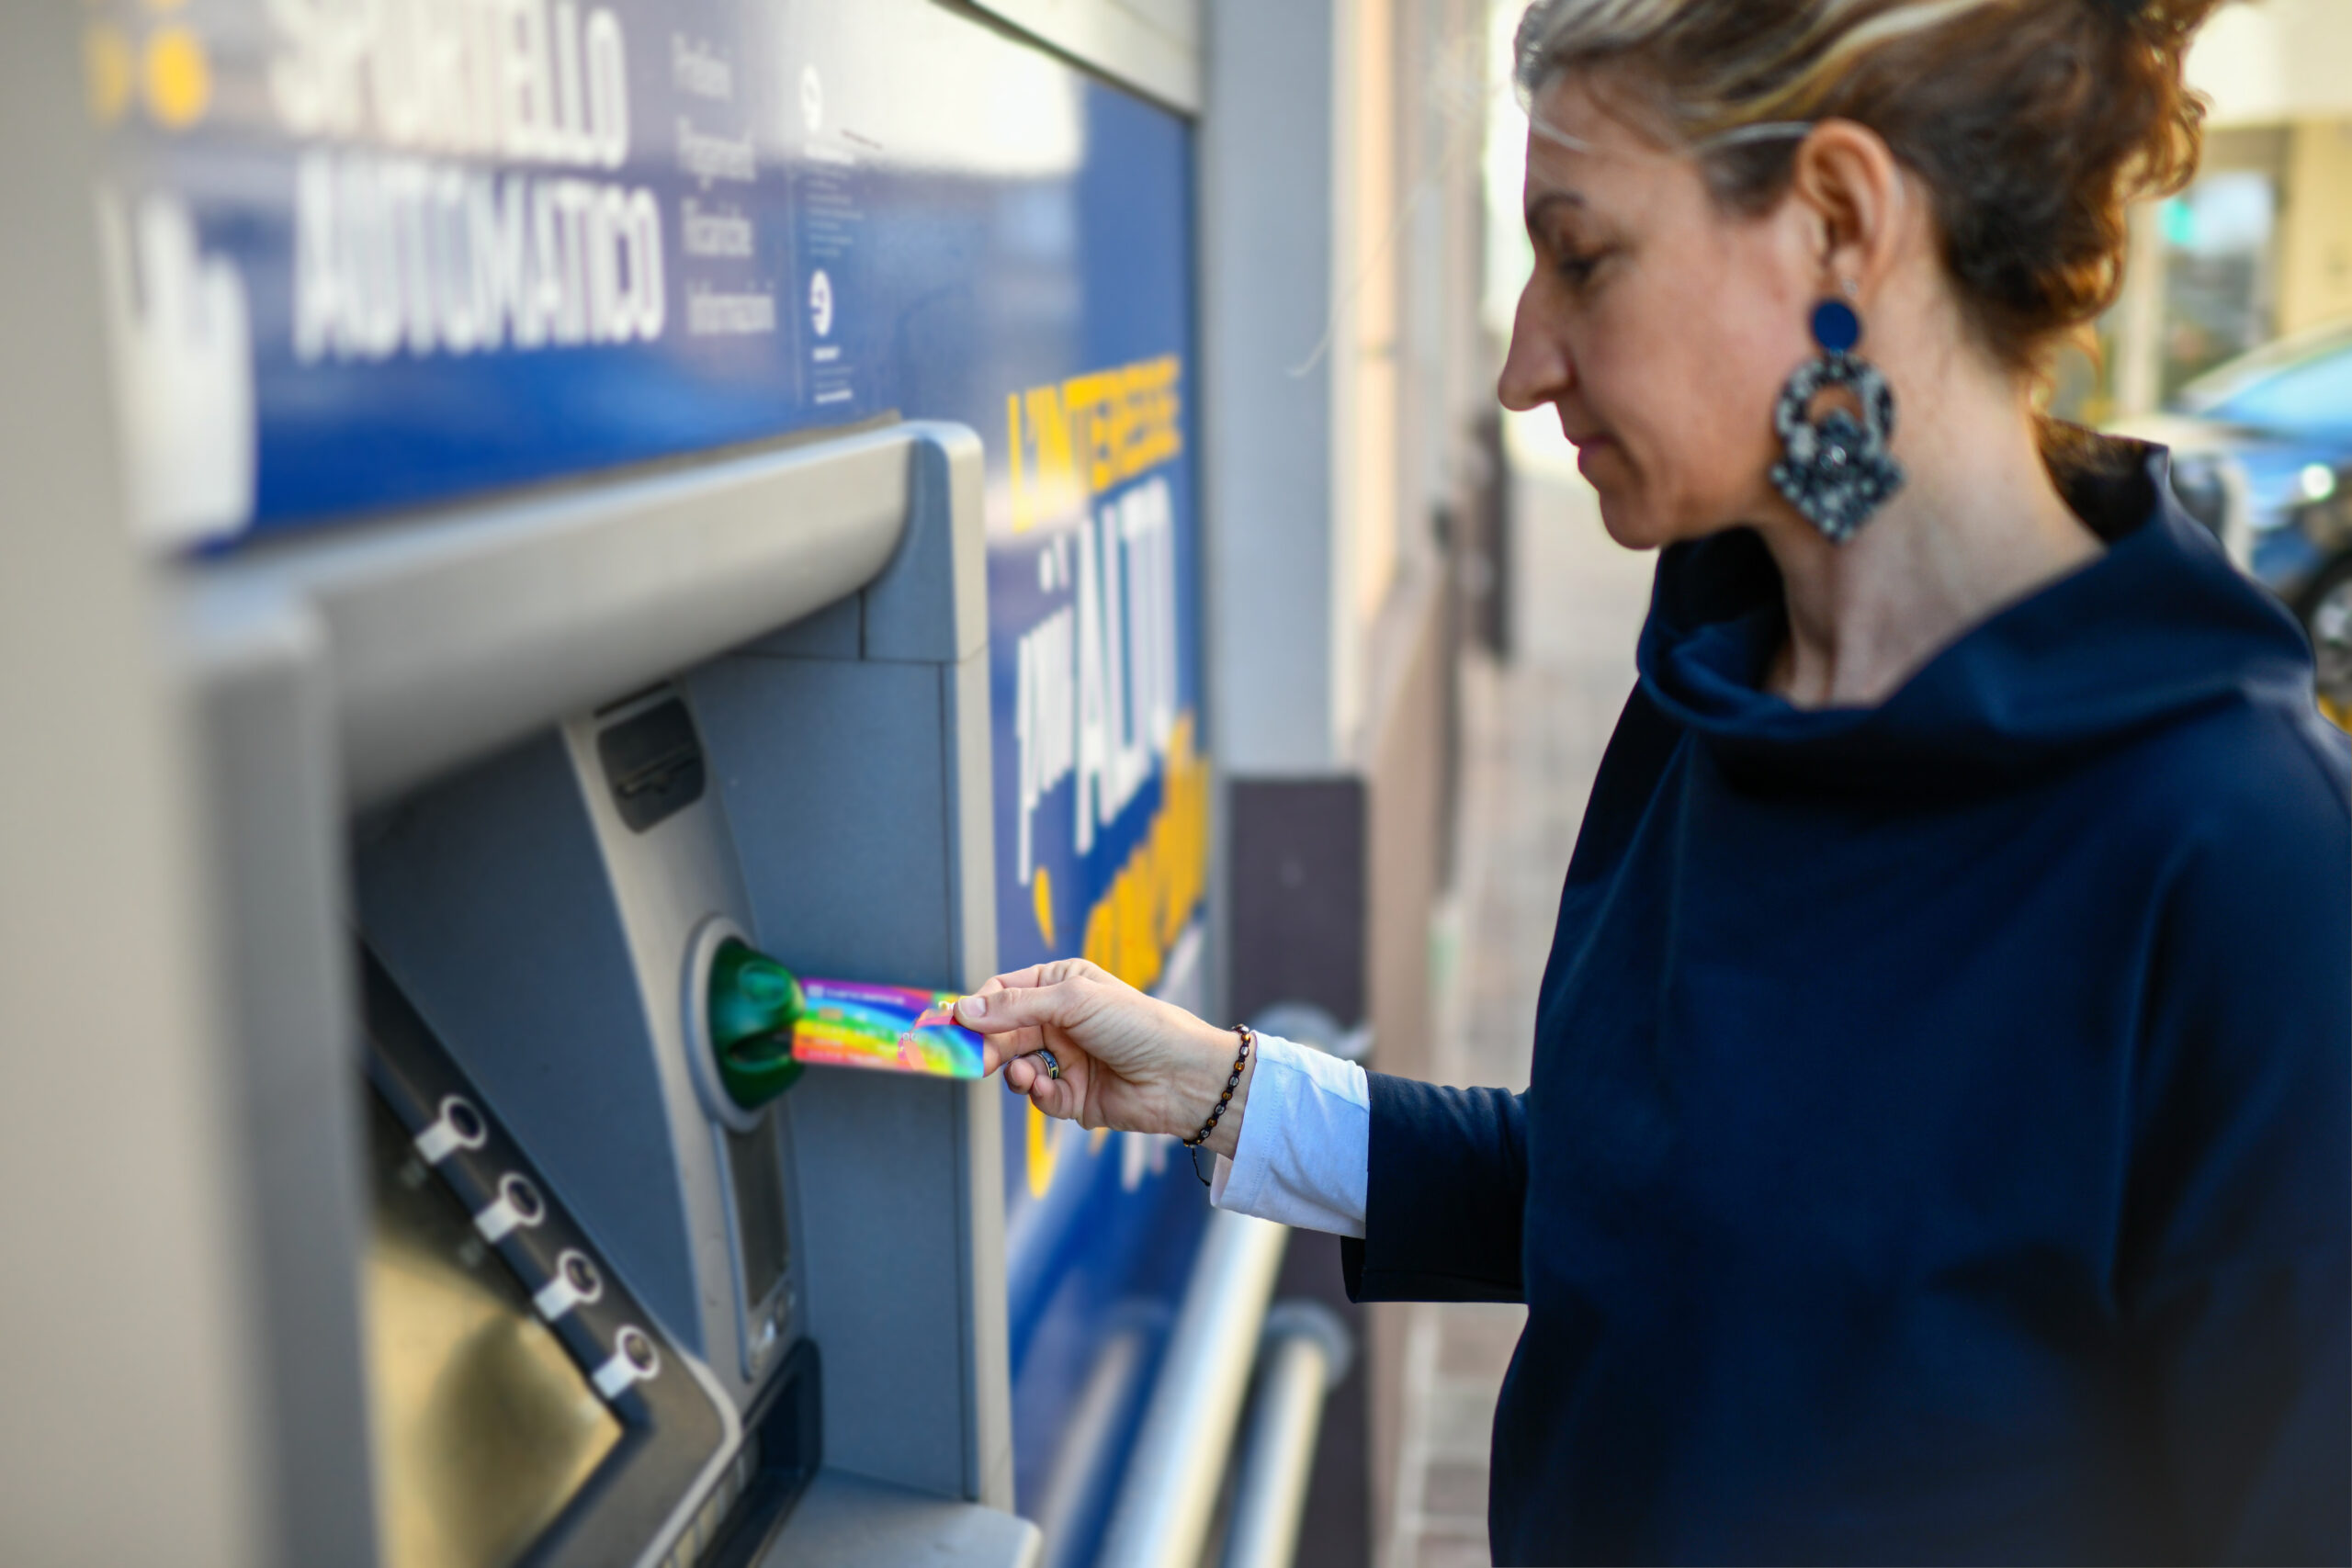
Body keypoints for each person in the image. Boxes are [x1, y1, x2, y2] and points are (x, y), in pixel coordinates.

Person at [956, 0, 2351, 1559]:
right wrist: (1219, 1092)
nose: (1518, 364)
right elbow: (1655, 1197)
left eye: (1584, 255)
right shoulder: (1719, 687)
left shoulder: (2239, 862)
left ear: (1837, 224)